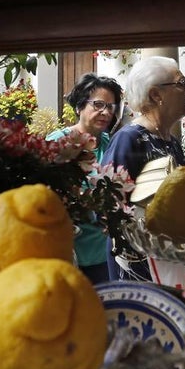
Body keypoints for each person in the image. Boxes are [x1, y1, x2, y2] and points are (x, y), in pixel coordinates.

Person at [101, 56, 185, 281]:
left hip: (169, 260)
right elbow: (106, 205)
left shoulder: (170, 142)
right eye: (182, 84)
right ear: (155, 94)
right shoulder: (129, 139)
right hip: (138, 264)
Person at [46, 73, 124, 285]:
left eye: (111, 106)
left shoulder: (113, 144)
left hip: (105, 253)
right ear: (80, 106)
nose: (105, 112)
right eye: (98, 104)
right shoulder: (58, 142)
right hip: (69, 253)